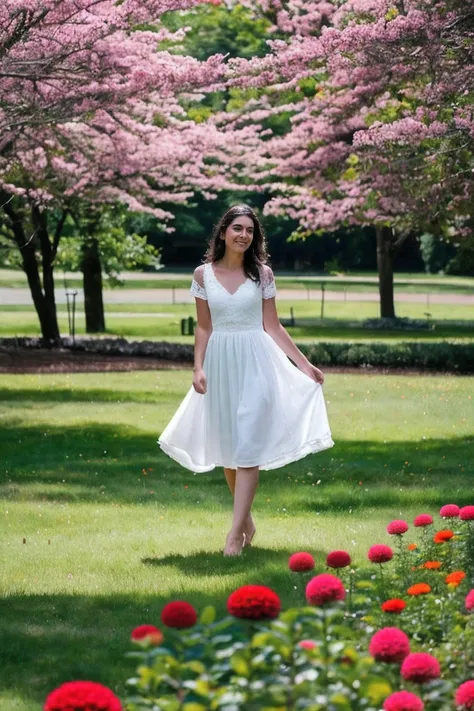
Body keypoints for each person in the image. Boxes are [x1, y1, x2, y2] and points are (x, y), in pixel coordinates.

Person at [158, 204, 334, 556]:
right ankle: (246, 520)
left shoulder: (263, 275)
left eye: (250, 230)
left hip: (257, 363)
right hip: (221, 363)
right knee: (229, 450)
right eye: (237, 228)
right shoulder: (202, 275)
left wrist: (305, 366)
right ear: (223, 232)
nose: (243, 235)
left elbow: (273, 326)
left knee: (248, 450)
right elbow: (204, 326)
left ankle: (233, 537)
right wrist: (198, 368)